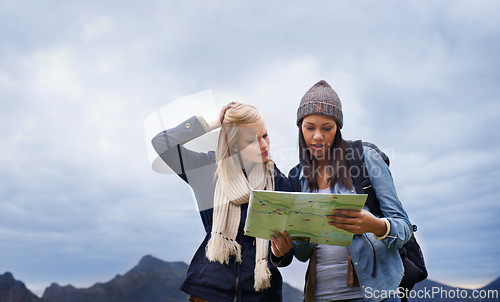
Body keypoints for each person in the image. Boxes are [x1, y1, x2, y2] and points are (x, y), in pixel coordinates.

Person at [152, 102, 293, 302]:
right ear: (234, 145)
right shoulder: (207, 170)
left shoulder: (279, 182)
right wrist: (214, 123)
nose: (264, 145)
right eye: (252, 141)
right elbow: (161, 143)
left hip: (262, 295)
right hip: (209, 291)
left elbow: (287, 255)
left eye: (265, 135)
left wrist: (280, 253)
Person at [287, 80, 413, 302]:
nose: (317, 136)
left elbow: (403, 227)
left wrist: (374, 225)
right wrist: (289, 242)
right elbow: (303, 253)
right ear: (300, 128)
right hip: (320, 295)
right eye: (309, 128)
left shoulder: (366, 158)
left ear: (337, 129)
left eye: (327, 128)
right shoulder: (297, 177)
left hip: (376, 295)